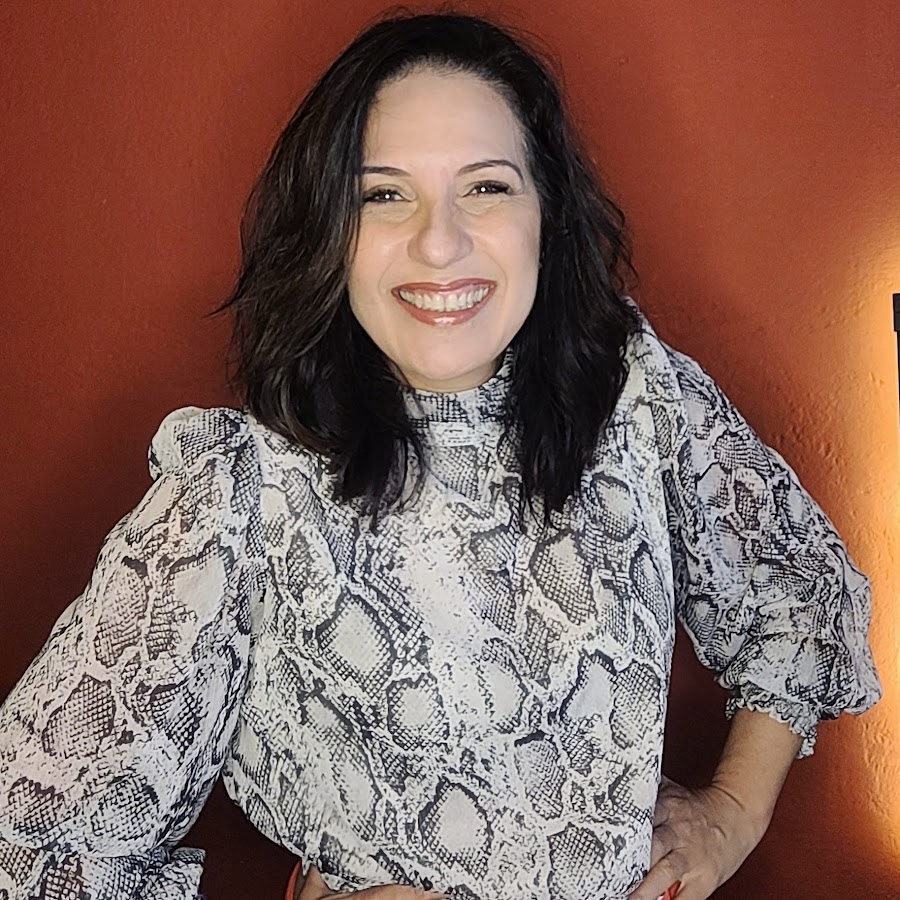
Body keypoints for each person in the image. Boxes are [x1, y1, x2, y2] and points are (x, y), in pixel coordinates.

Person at [0, 12, 881, 900]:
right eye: (385, 195)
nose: (439, 241)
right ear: (331, 231)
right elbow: (26, 845)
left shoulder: (635, 398)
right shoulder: (240, 492)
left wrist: (733, 814)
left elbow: (796, 589)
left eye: (487, 187)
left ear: (547, 214)